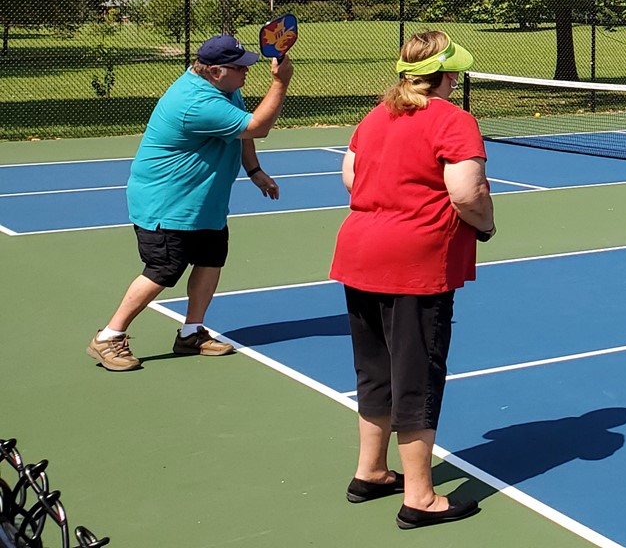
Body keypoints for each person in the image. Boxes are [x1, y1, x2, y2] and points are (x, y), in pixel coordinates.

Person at [330, 30, 491, 529]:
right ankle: (420, 497)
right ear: (446, 76)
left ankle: (370, 471)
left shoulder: (376, 116)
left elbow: (351, 177)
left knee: (374, 367)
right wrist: (485, 224)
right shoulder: (453, 119)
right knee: (417, 374)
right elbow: (466, 191)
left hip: (360, 251)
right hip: (415, 263)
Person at [86, 34, 293, 372]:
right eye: (238, 67)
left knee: (211, 258)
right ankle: (110, 335)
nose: (245, 72)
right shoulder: (196, 102)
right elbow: (257, 126)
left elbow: (242, 132)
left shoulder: (225, 88)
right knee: (163, 269)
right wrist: (280, 83)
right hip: (167, 203)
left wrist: (254, 170)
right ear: (214, 71)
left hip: (203, 202)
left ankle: (191, 332)